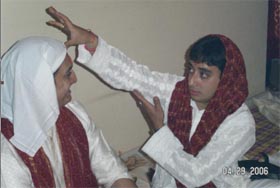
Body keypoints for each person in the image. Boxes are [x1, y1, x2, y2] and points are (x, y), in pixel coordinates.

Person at [46, 7, 257, 188]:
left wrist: (159, 131)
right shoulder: (178, 91)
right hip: (174, 181)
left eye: (204, 74)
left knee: (247, 173)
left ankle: (263, 167)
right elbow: (135, 76)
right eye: (190, 69)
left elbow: (196, 176)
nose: (192, 81)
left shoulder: (239, 122)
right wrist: (91, 41)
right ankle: (262, 166)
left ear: (226, 78)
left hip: (222, 180)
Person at [0, 36, 137, 188]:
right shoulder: (6, 153)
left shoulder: (74, 113)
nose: (75, 79)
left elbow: (114, 172)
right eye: (68, 74)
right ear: (41, 85)